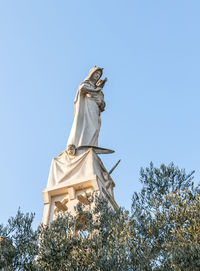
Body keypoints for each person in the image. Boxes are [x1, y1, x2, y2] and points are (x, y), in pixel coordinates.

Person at [67, 66, 107, 148]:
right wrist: (95, 90)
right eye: (96, 73)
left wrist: (102, 103)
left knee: (95, 128)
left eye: (99, 74)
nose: (97, 76)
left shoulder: (98, 90)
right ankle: (83, 145)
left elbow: (102, 105)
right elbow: (82, 88)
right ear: (91, 74)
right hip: (88, 107)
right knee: (88, 126)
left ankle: (90, 146)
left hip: (95, 109)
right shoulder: (87, 83)